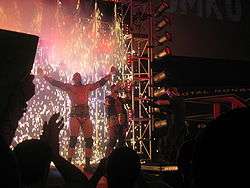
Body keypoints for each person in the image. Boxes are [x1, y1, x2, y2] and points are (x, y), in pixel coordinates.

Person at [38, 66, 117, 171]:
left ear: (80, 78)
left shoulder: (87, 87)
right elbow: (56, 83)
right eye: (75, 76)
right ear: (73, 79)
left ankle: (87, 165)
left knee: (89, 141)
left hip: (86, 115)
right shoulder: (69, 87)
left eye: (78, 75)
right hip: (75, 115)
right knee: (73, 140)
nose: (77, 77)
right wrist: (44, 76)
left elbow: (100, 83)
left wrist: (110, 74)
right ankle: (68, 164)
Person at [105, 84, 128, 157]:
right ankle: (107, 157)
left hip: (121, 120)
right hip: (113, 121)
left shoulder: (120, 99)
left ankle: (118, 157)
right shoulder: (108, 98)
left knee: (121, 140)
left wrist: (126, 90)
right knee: (112, 140)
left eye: (117, 90)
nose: (117, 91)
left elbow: (128, 99)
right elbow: (107, 107)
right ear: (112, 90)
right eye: (115, 90)